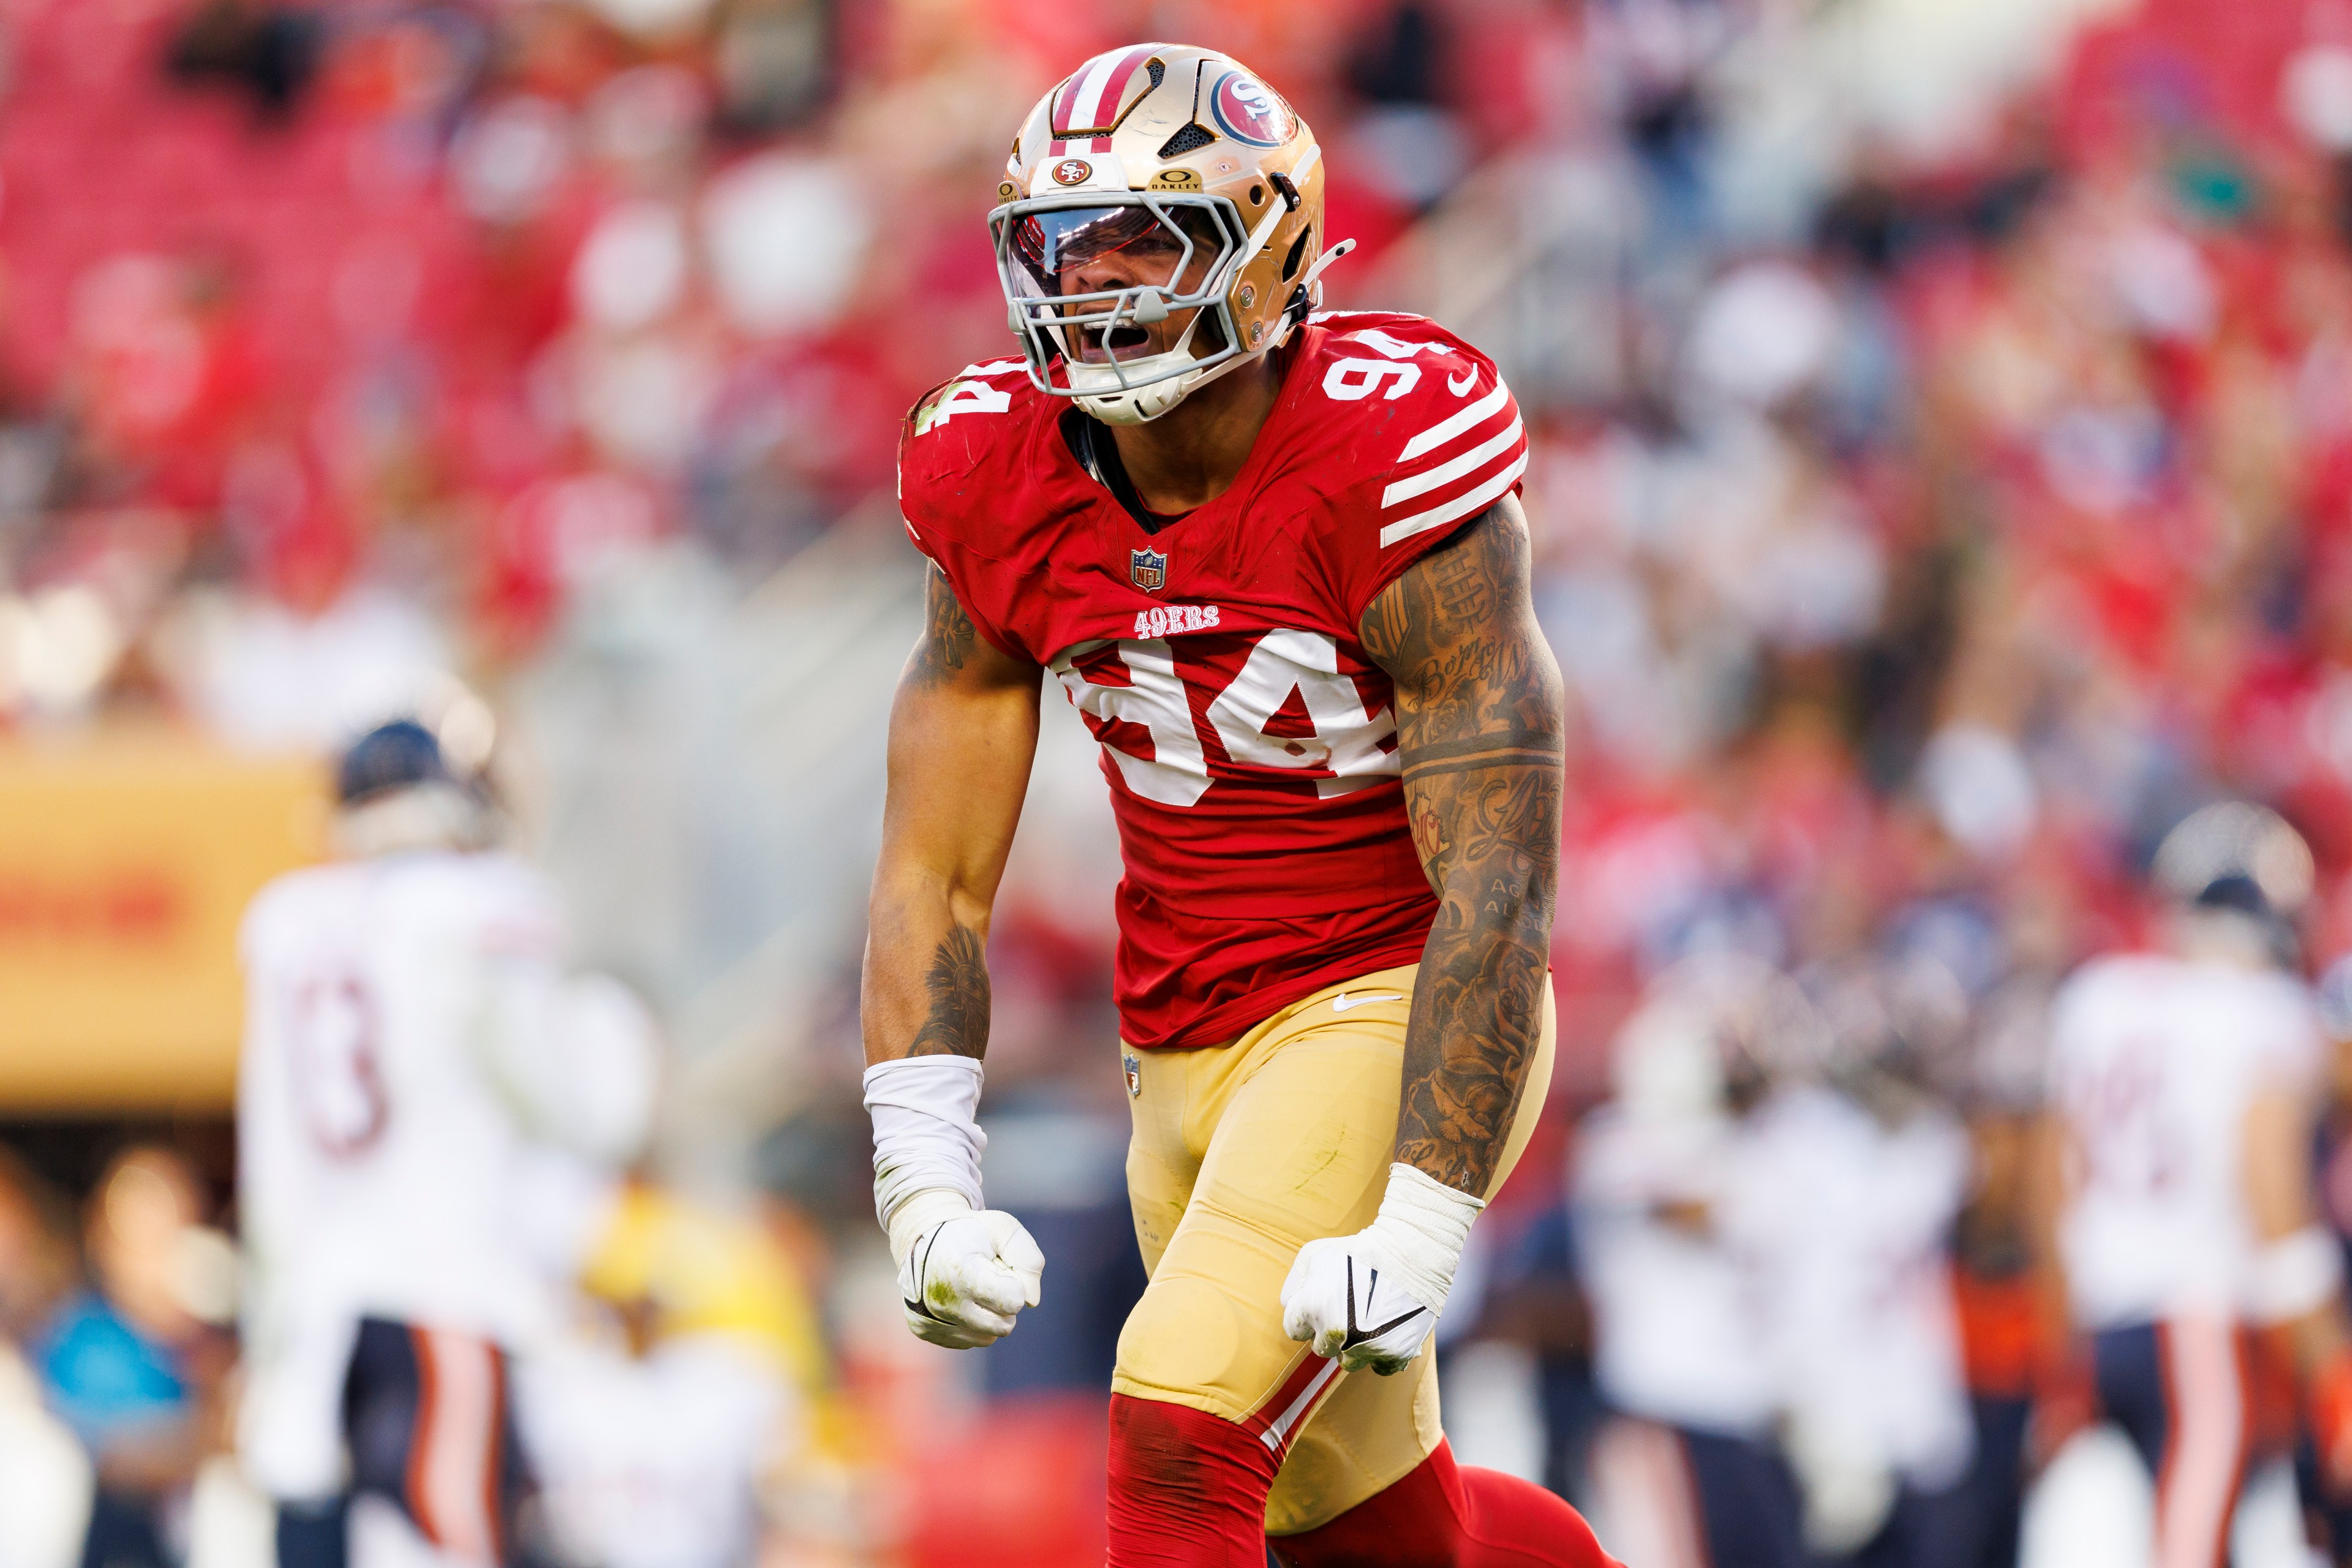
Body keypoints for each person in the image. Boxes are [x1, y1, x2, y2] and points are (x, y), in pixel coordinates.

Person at [860, 42, 1616, 1568]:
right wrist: (923, 1173)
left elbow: (1499, 879)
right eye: (1066, 246)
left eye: (1149, 238)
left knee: (1175, 1424)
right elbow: (933, 868)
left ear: (1269, 248)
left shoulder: (1387, 441)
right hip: (1177, 1039)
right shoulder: (992, 461)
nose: (1101, 286)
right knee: (1376, 1533)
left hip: (1387, 998)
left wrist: (1423, 1204)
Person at [236, 720, 652, 1568]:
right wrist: (609, 1033)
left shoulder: (285, 919)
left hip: (319, 1315)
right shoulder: (485, 905)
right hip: (445, 1298)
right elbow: (573, 1107)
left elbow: (267, 1141)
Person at [2035, 805, 2352, 1568]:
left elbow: (2054, 1185)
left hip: (2106, 1323)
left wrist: (2063, 1344)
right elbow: (2272, 1193)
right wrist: (2332, 1371)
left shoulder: (2097, 997)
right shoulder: (2264, 1015)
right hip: (2199, 1328)